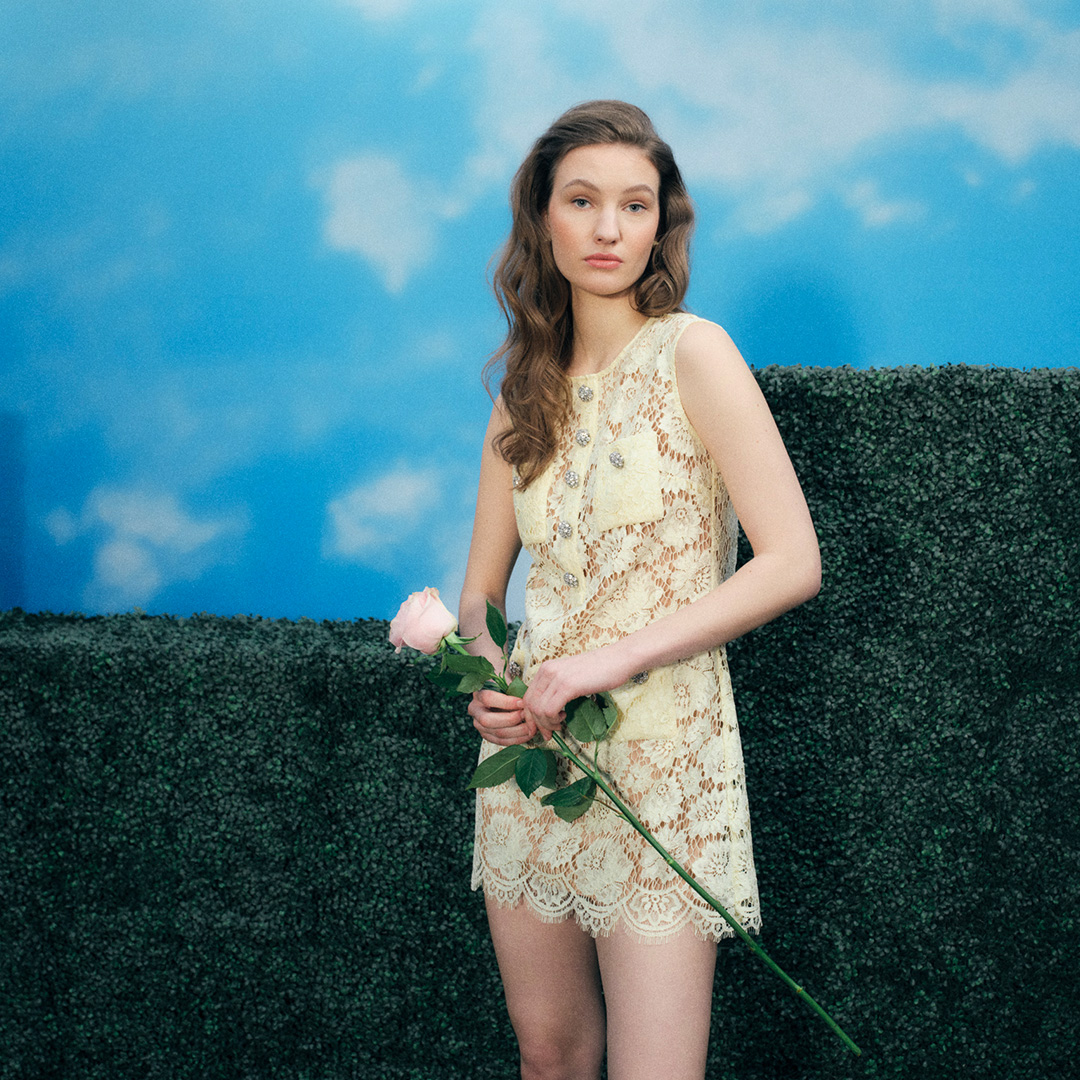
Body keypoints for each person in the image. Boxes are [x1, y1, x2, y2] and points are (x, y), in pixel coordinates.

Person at [458, 100, 821, 1080]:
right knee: (550, 1057)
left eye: (634, 204)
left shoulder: (695, 353)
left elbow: (793, 560)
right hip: (538, 767)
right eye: (583, 201)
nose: (609, 229)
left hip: (666, 767)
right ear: (544, 219)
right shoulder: (520, 390)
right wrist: (486, 676)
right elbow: (482, 596)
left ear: (663, 223)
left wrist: (617, 656)